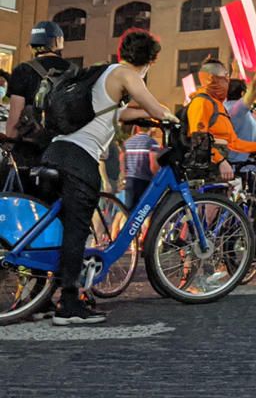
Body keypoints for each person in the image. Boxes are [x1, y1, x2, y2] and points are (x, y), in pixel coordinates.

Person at [42, 28, 179, 325]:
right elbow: (153, 105)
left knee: (60, 226)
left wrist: (145, 115)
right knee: (78, 228)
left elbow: (121, 114)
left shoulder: (106, 78)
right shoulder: (126, 74)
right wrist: (170, 116)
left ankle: (42, 295)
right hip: (80, 158)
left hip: (57, 152)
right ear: (150, 60)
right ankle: (68, 304)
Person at [5, 21, 70, 198]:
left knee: (24, 204)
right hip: (65, 154)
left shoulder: (23, 71)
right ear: (58, 42)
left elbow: (14, 119)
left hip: (28, 154)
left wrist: (9, 141)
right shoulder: (75, 71)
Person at [186, 59, 256, 181]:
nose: (227, 81)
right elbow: (198, 140)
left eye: (228, 77)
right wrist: (220, 161)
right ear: (211, 79)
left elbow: (234, 143)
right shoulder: (202, 103)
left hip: (221, 171)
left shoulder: (219, 106)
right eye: (225, 77)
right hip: (209, 173)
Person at [225, 46, 256, 169]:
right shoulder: (237, 109)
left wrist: (235, 71)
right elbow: (255, 88)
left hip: (241, 164)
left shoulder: (226, 106)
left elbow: (232, 87)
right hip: (244, 167)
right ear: (242, 94)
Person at [121, 124, 160, 209]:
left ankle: (126, 222)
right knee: (144, 210)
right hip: (144, 180)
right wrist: (157, 177)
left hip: (130, 179)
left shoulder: (128, 142)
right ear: (150, 128)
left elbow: (122, 160)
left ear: (137, 128)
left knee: (128, 210)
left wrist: (124, 175)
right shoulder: (152, 142)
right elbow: (153, 165)